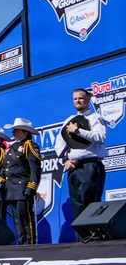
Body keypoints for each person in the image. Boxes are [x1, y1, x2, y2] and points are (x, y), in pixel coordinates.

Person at [55, 88, 108, 230]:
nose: (78, 101)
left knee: (90, 207)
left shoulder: (96, 118)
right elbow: (59, 143)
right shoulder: (69, 120)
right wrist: (65, 160)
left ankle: (94, 243)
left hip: (90, 167)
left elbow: (100, 137)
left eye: (81, 98)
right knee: (77, 208)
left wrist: (78, 131)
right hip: (73, 168)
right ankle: (81, 245)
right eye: (75, 99)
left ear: (89, 100)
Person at [0, 118, 42, 245]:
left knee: (25, 217)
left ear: (24, 132)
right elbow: (6, 167)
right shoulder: (12, 147)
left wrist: (32, 187)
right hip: (11, 189)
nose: (13, 132)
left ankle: (30, 244)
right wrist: (0, 179)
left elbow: (35, 168)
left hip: (22, 187)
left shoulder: (30, 145)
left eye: (15, 130)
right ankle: (22, 243)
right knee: (17, 220)